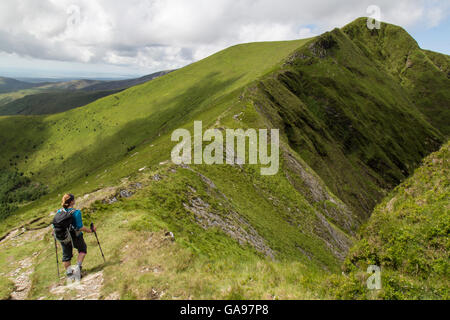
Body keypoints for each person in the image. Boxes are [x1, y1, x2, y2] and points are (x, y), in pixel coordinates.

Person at [52, 194, 96, 278]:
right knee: (82, 249)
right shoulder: (76, 212)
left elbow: (54, 225)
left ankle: (70, 274)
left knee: (66, 256)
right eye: (74, 199)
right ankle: (77, 269)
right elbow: (80, 227)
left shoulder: (59, 212)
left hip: (63, 236)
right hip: (75, 236)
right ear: (71, 201)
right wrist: (91, 230)